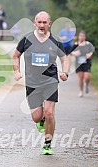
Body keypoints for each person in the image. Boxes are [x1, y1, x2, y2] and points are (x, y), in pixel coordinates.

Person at [13, 11, 69, 155]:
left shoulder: (55, 41)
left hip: (50, 81)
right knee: (37, 116)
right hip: (32, 82)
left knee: (49, 112)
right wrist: (17, 71)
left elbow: (64, 58)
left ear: (49, 24)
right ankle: (41, 120)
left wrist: (65, 72)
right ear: (34, 23)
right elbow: (16, 56)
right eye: (40, 22)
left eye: (45, 23)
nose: (42, 25)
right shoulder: (27, 39)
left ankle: (47, 144)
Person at [71, 31, 95, 97]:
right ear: (79, 37)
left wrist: (89, 54)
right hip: (78, 64)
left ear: (85, 37)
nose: (81, 37)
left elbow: (92, 51)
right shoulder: (76, 45)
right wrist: (74, 53)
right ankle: (81, 91)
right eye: (80, 36)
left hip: (86, 63)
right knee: (81, 78)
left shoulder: (88, 44)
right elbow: (70, 52)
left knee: (87, 77)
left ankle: (86, 85)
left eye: (83, 36)